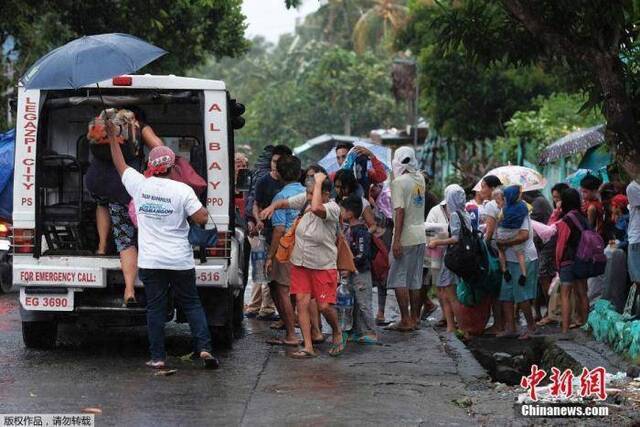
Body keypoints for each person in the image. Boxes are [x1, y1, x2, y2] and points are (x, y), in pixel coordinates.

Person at [106, 120, 218, 370]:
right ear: (172, 166)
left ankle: (158, 358)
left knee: (155, 308)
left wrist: (113, 137)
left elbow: (120, 164)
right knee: (191, 304)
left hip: (151, 261)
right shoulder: (183, 190)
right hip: (180, 260)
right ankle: (204, 349)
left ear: (150, 166)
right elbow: (201, 218)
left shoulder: (139, 185)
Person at [85, 107, 163, 307]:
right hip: (124, 185)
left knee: (103, 206)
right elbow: (158, 146)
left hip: (98, 179)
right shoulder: (139, 125)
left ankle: (102, 247)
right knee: (127, 237)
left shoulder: (103, 121)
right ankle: (129, 289)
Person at [288, 173, 344, 358]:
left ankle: (336, 331)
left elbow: (318, 208)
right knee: (302, 303)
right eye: (309, 193)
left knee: (324, 306)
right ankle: (308, 346)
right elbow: (287, 203)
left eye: (313, 193)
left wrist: (319, 181)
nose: (309, 197)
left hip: (323, 265)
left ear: (326, 193)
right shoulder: (307, 205)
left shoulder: (332, 208)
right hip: (301, 263)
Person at [264, 155, 308, 347]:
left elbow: (279, 229)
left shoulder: (280, 197)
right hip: (307, 246)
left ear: (279, 174)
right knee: (302, 292)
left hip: (287, 248)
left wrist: (270, 257)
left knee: (280, 289)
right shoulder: (308, 193)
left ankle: (291, 334)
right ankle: (312, 332)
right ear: (299, 173)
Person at [246, 145, 292, 322]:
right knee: (265, 274)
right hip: (266, 235)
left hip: (287, 238)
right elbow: (254, 202)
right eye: (273, 161)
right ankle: (263, 308)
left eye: (279, 162)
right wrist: (256, 220)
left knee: (281, 282)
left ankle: (278, 315)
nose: (275, 165)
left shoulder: (293, 184)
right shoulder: (263, 181)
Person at [385, 147, 426, 332]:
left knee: (399, 278)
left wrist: (396, 240)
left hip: (406, 235)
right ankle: (414, 318)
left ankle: (405, 320)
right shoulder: (420, 178)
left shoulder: (398, 183)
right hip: (420, 234)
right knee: (414, 279)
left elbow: (399, 211)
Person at [495, 187, 539, 340]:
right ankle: (510, 328)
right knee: (506, 294)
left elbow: (524, 235)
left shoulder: (522, 212)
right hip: (509, 259)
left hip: (524, 258)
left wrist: (504, 241)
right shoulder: (506, 211)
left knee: (522, 295)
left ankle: (531, 326)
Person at [428, 185, 469, 333]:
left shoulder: (454, 215)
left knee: (450, 296)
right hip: (461, 259)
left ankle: (460, 328)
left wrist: (437, 242)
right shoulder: (465, 213)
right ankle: (453, 326)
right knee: (448, 293)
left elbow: (455, 238)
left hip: (452, 258)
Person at [341, 195, 378, 344]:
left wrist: (350, 267)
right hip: (351, 272)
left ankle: (371, 331)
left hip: (361, 273)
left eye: (342, 210)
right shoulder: (348, 230)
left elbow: (363, 255)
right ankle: (356, 331)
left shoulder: (361, 231)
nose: (340, 213)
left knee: (363, 303)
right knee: (353, 303)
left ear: (350, 213)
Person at [555, 188, 590, 334]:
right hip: (582, 260)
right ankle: (586, 325)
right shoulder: (583, 218)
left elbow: (561, 245)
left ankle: (565, 330)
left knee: (565, 294)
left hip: (568, 261)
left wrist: (557, 263)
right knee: (582, 293)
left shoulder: (566, 220)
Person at [478, 175, 504, 334]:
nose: (481, 191)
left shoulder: (491, 206)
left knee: (495, 287)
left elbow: (489, 233)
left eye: (483, 187)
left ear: (491, 188)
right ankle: (504, 323)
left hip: (494, 248)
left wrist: (482, 245)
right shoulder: (501, 203)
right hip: (503, 247)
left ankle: (498, 324)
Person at [369, 182, 393, 325]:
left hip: (384, 241)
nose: (372, 189)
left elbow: (384, 220)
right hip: (372, 241)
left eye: (375, 186)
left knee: (382, 275)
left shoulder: (386, 198)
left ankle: (381, 312)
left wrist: (374, 206)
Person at [495, 186, 529, 287]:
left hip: (503, 232)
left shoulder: (505, 209)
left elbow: (499, 219)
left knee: (501, 250)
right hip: (515, 232)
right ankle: (523, 273)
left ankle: (505, 270)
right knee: (520, 254)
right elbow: (526, 213)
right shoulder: (523, 206)